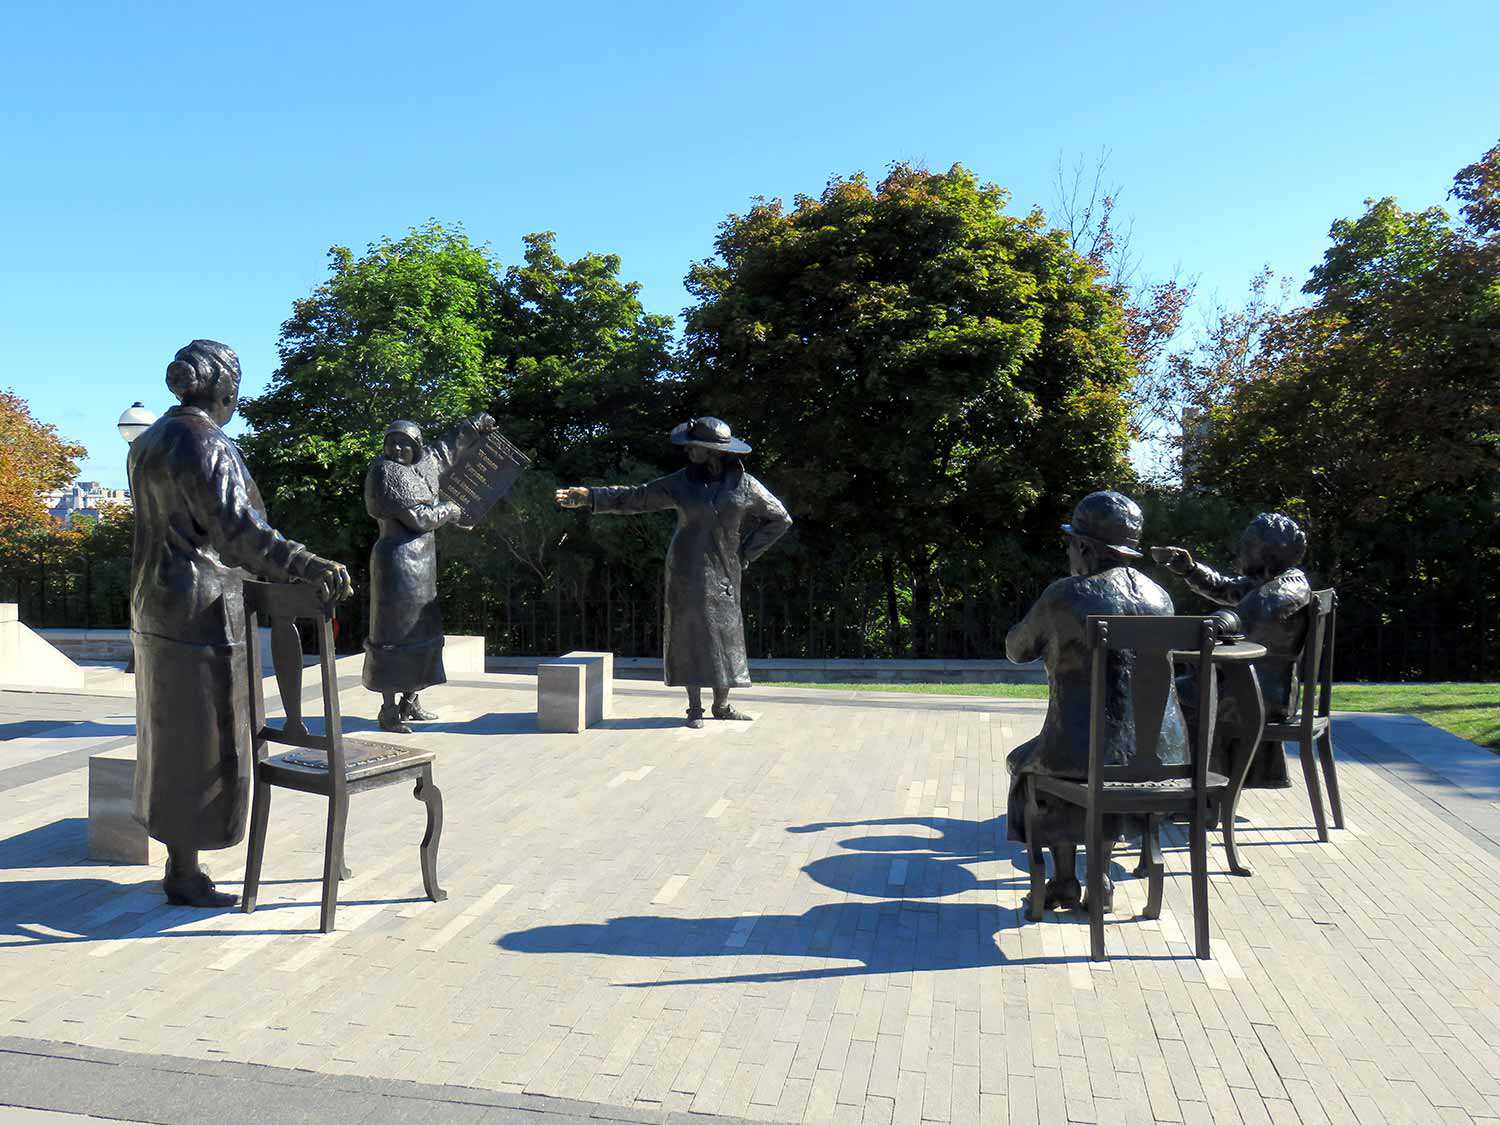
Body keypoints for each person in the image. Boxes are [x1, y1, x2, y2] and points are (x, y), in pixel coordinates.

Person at [129, 340, 352, 908]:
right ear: (224, 387)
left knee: (172, 738)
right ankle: (187, 869)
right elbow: (238, 533)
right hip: (204, 610)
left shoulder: (150, 440)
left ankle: (182, 866)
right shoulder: (206, 441)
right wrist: (307, 564)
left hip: (154, 606)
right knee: (210, 743)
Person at [1005, 490, 1188, 912]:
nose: (1069, 551)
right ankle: (1097, 878)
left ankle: (1065, 880)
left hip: (1082, 757)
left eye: (1071, 542)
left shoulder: (1066, 595)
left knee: (1031, 764)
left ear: (1085, 547)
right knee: (1091, 758)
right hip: (1163, 760)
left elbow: (1017, 649)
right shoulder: (1160, 598)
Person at [555, 416, 791, 728]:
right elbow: (636, 497)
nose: (687, 452)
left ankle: (721, 705)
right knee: (688, 633)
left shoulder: (745, 486)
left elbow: (780, 519)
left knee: (726, 636)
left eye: (693, 447)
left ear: (713, 451)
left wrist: (744, 554)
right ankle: (694, 708)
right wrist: (591, 497)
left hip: (724, 571)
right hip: (685, 570)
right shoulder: (681, 483)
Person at [1153, 512, 1310, 790]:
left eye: (1247, 544)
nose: (1240, 550)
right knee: (1180, 686)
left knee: (1168, 694)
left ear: (1266, 550)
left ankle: (1199, 790)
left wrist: (1201, 630)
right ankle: (1194, 783)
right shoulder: (1276, 581)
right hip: (1258, 686)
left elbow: (1233, 628)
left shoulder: (1277, 595)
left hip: (1256, 695)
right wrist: (1190, 570)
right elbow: (1227, 589)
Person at [363, 414, 496, 733]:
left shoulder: (424, 464)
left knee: (419, 632)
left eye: (404, 444)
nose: (396, 448)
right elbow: (419, 518)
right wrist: (449, 510)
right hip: (396, 562)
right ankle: (389, 710)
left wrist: (475, 426)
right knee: (393, 635)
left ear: (416, 448)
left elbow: (448, 448)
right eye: (391, 442)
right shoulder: (385, 473)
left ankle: (411, 700)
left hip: (422, 564)